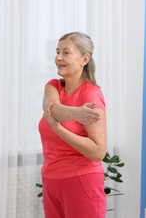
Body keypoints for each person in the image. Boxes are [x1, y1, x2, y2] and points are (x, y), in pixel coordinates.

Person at [38, 32, 107, 218]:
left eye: (66, 52)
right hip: (51, 179)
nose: (58, 58)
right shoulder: (53, 86)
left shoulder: (91, 95)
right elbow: (52, 110)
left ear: (85, 59)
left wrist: (58, 127)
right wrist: (77, 113)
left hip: (81, 180)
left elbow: (98, 151)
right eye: (57, 51)